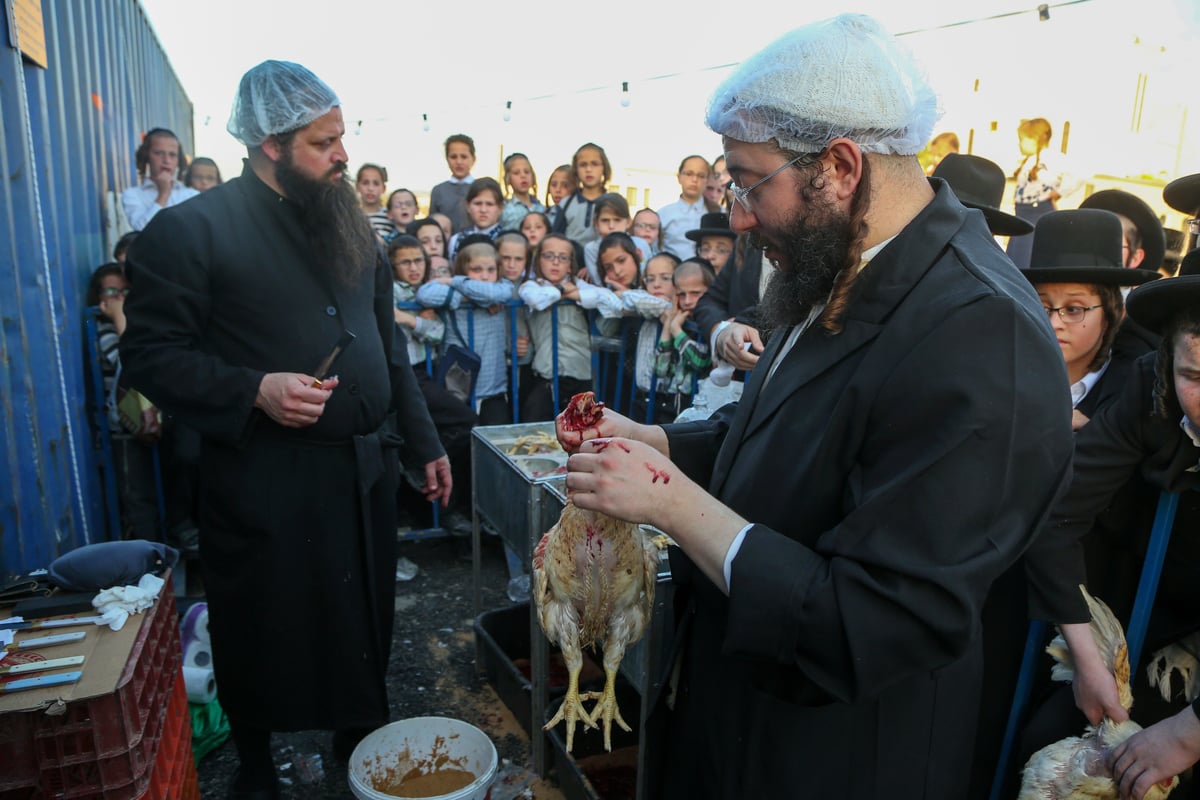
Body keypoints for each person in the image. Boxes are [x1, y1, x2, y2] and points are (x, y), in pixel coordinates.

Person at [556, 15, 1072, 798]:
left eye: (748, 181)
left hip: (835, 754)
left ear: (838, 166)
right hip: (741, 713)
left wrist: (672, 505)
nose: (735, 214)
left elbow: (879, 618)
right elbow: (787, 431)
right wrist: (657, 441)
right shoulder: (840, 258)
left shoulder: (980, 333)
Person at [118, 60, 451, 799]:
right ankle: (259, 763)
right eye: (323, 142)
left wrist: (423, 442)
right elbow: (150, 355)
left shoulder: (352, 227)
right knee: (262, 620)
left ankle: (356, 732)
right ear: (269, 144)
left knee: (361, 606)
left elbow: (384, 346)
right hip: (263, 474)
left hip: (360, 466)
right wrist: (253, 390)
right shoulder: (190, 231)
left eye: (342, 137)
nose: (343, 155)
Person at [1022, 269, 1200, 800]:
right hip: (1164, 617)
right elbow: (1058, 515)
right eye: (1194, 374)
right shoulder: (1151, 392)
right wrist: (1088, 658)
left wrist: (1189, 733)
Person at [1006, 117, 1079, 268]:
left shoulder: (1052, 157)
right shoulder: (1028, 160)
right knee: (1015, 259)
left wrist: (1059, 192)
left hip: (1037, 212)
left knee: (1026, 260)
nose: (1019, 144)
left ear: (1034, 139)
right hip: (1022, 213)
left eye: (1022, 139)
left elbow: (1081, 174)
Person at [121, 127, 198, 230]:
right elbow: (141, 230)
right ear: (146, 156)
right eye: (159, 153)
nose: (166, 160)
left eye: (172, 155)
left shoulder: (191, 195)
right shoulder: (132, 195)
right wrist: (163, 195)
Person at [553, 143, 610, 244]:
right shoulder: (566, 204)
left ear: (604, 168)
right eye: (583, 165)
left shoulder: (611, 203)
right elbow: (555, 239)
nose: (588, 170)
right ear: (576, 170)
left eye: (594, 164)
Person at [658, 154, 710, 259]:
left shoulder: (716, 214)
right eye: (689, 174)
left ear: (707, 181)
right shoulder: (663, 214)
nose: (694, 179)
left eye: (701, 176)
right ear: (679, 177)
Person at [428, 133, 476, 233]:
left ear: (473, 159)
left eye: (464, 157)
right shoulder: (439, 191)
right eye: (453, 157)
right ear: (447, 159)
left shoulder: (480, 188)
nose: (458, 162)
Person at [498, 152, 545, 230]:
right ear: (508, 178)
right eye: (516, 173)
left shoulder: (542, 209)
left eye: (527, 172)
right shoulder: (504, 210)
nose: (523, 176)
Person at [355, 163, 394, 240]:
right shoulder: (350, 215)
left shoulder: (391, 216)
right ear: (357, 187)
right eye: (365, 183)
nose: (370, 188)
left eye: (376, 184)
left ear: (384, 188)